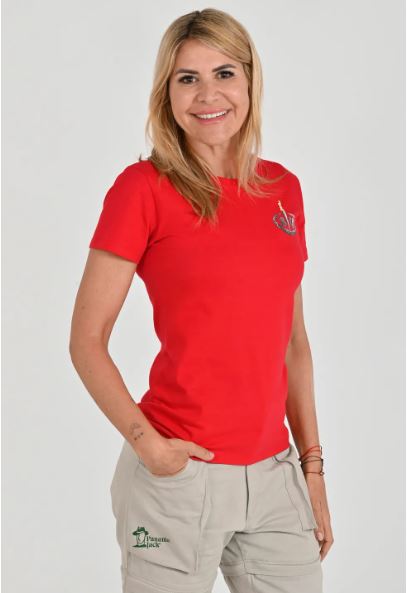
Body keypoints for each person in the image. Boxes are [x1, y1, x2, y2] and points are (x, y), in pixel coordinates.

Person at [69, 8, 334, 593]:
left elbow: (293, 344)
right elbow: (87, 340)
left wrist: (311, 468)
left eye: (224, 73)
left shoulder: (283, 189)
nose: (208, 95)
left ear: (250, 81)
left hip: (274, 477)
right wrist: (150, 447)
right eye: (187, 78)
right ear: (166, 92)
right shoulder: (143, 189)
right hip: (178, 477)